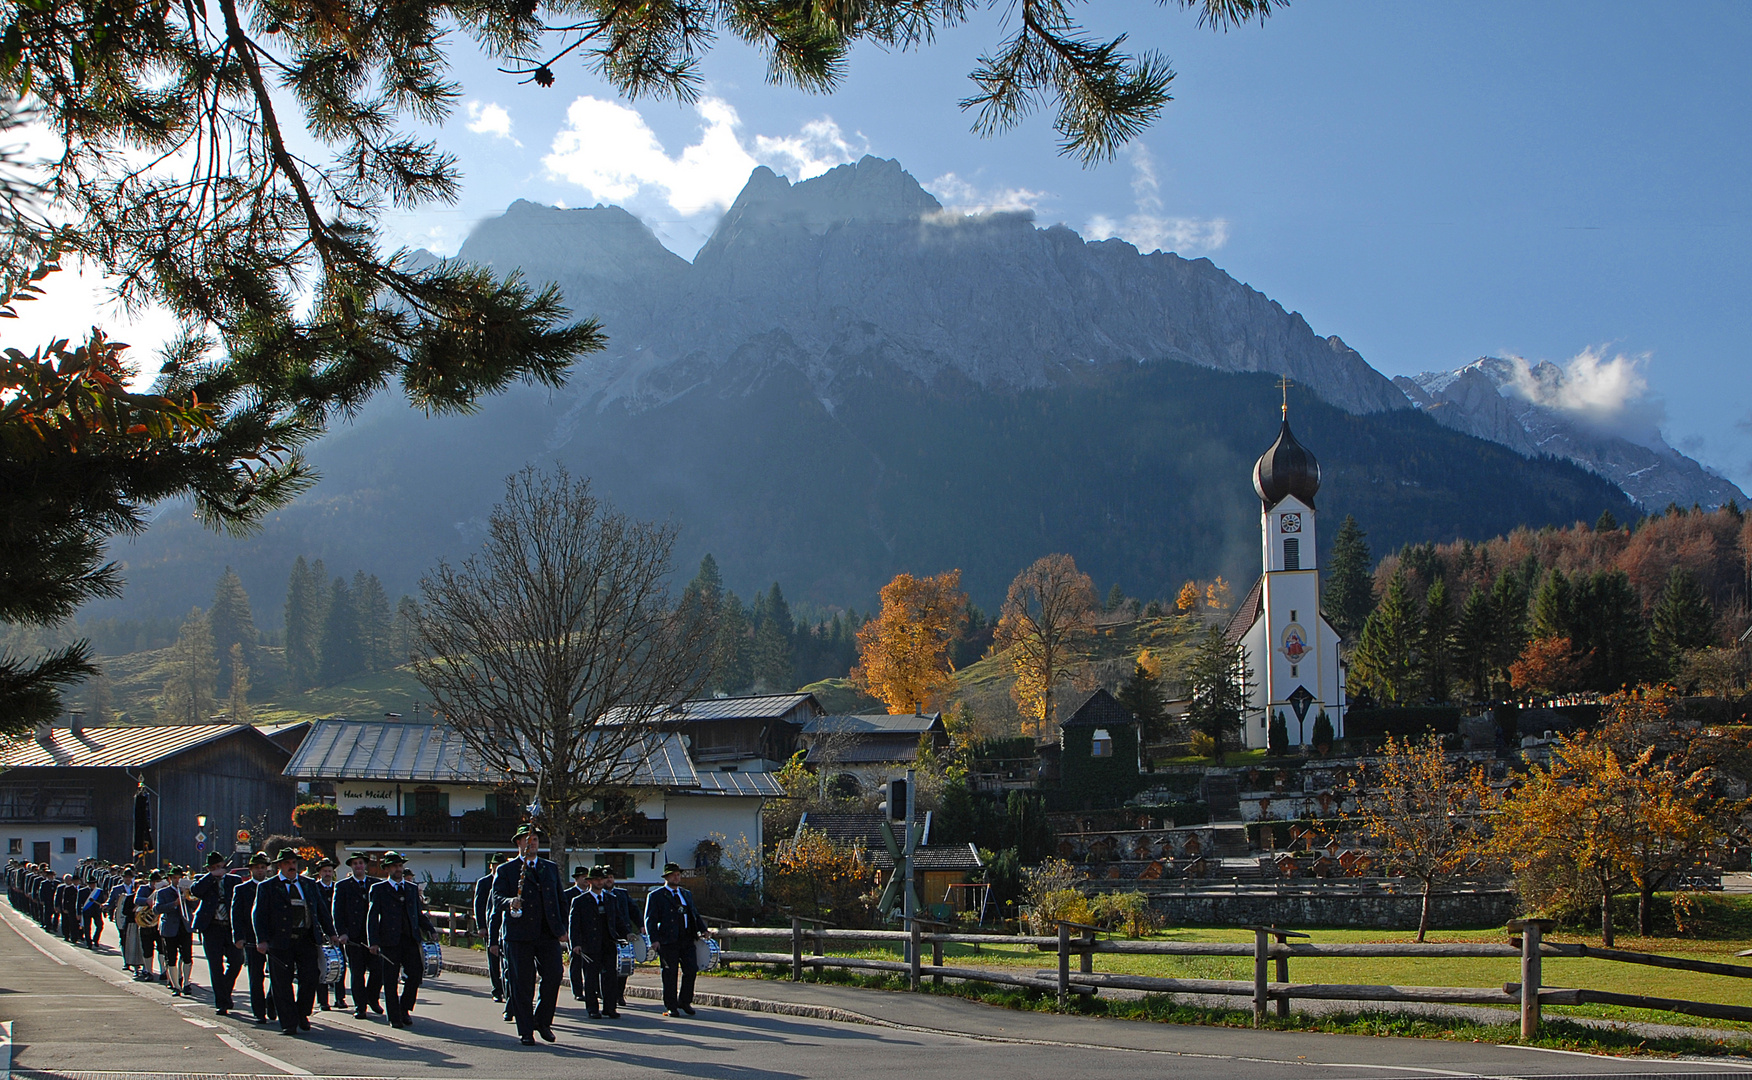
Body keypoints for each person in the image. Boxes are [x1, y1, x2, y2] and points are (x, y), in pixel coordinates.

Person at [491, 825, 568, 1046]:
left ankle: (542, 1021)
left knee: (554, 975)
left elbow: (560, 899)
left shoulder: (550, 868)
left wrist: (563, 928)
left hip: (546, 932)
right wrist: (509, 902)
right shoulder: (507, 870)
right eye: (527, 840)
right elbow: (496, 898)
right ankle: (525, 1030)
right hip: (519, 934)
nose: (531, 843)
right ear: (519, 843)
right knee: (522, 983)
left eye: (534, 839)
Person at [366, 852, 435, 1029]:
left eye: (400, 866)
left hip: (410, 939)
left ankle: (404, 1008)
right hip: (389, 941)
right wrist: (373, 941)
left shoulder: (411, 888)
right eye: (395, 866)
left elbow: (418, 914)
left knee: (415, 975)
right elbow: (372, 916)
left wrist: (429, 929)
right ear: (387, 869)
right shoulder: (379, 889)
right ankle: (394, 1016)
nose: (398, 869)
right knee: (390, 979)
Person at [645, 862, 710, 1017]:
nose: (677, 877)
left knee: (691, 970)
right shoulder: (656, 896)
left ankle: (685, 1001)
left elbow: (694, 913)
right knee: (670, 973)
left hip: (687, 938)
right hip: (668, 940)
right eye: (674, 875)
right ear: (667, 877)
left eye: (678, 874)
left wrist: (703, 929)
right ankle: (671, 1005)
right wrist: (653, 939)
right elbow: (650, 919)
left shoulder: (685, 894)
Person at [568, 866, 630, 1019]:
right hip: (590, 945)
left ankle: (610, 1008)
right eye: (596, 879)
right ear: (589, 881)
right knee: (591, 978)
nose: (600, 882)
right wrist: (575, 943)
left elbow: (618, 920)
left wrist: (627, 933)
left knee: (610, 977)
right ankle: (592, 1008)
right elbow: (574, 925)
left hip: (608, 943)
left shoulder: (611, 899)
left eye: (601, 879)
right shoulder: (580, 901)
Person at [191, 852, 244, 1016]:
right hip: (212, 927)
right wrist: (211, 876)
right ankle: (221, 1002)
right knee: (215, 966)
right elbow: (196, 891)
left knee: (236, 961)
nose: (218, 870)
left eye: (219, 867)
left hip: (230, 927)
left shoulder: (234, 881)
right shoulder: (204, 880)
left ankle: (225, 991)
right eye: (213, 868)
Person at [331, 853, 381, 1018]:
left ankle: (372, 999)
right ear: (351, 867)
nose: (358, 866)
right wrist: (342, 933)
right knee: (357, 972)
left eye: (360, 863)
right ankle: (360, 1006)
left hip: (372, 936)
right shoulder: (343, 886)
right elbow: (337, 913)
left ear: (365, 865)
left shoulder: (376, 884)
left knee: (377, 971)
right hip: (353, 937)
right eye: (355, 864)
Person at [232, 853, 276, 1025]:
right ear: (251, 870)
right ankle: (259, 1011)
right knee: (256, 976)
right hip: (251, 939)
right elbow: (236, 915)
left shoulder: (273, 886)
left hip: (272, 938)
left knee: (277, 975)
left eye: (263, 867)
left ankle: (271, 1003)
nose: (260, 870)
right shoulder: (242, 889)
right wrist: (239, 937)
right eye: (257, 867)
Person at [310, 858, 347, 1012]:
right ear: (319, 873)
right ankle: (323, 1000)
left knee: (340, 964)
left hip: (335, 932)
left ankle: (340, 998)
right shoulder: (313, 888)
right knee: (322, 966)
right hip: (319, 932)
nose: (327, 874)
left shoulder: (337, 888)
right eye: (324, 871)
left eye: (330, 871)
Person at [155, 865, 196, 996]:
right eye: (174, 878)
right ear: (169, 879)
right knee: (171, 958)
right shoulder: (163, 892)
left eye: (179, 878)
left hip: (185, 927)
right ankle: (175, 985)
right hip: (170, 928)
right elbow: (157, 909)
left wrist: (187, 896)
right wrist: (174, 904)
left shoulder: (188, 891)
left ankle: (186, 983)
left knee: (187, 957)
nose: (177, 880)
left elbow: (195, 905)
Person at [599, 865, 636, 1009]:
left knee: (623, 966)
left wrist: (640, 925)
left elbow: (633, 910)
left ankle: (619, 994)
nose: (609, 880)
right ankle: (607, 995)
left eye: (611, 877)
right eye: (606, 877)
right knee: (607, 969)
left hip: (621, 936)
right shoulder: (598, 896)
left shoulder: (622, 894)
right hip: (605, 936)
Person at [473, 853, 506, 1003]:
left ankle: (507, 988)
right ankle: (496, 989)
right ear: (491, 866)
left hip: (505, 926)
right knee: (493, 959)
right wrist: (481, 926)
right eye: (496, 865)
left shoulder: (507, 881)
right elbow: (479, 905)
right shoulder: (485, 882)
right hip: (490, 925)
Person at [562, 866, 590, 1001]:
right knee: (576, 961)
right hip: (573, 932)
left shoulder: (591, 894)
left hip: (589, 933)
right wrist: (565, 931)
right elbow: (563, 914)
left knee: (590, 963)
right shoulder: (568, 894)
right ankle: (578, 990)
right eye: (583, 877)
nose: (586, 880)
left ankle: (593, 989)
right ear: (577, 878)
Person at [134, 870, 164, 983]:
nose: (156, 884)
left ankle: (163, 971)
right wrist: (147, 900)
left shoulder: (163, 890)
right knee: (147, 949)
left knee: (162, 948)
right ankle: (149, 971)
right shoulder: (143, 889)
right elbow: (136, 899)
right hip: (146, 923)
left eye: (158, 881)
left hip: (158, 922)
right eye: (154, 882)